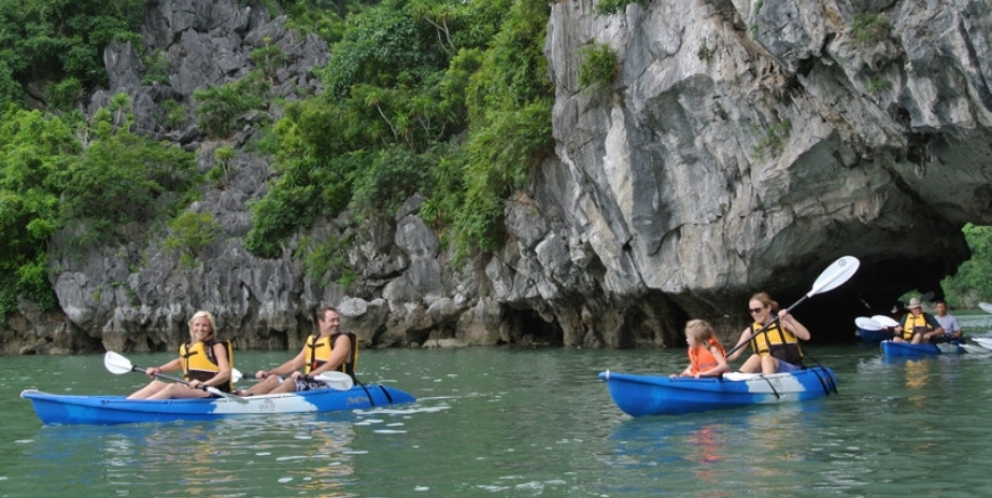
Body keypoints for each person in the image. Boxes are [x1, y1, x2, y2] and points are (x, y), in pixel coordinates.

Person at [238, 306, 356, 396]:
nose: (337, 324)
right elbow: (294, 364)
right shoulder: (313, 340)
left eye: (338, 320)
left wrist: (305, 376)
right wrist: (271, 372)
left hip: (332, 384)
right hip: (311, 381)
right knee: (273, 379)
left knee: (290, 382)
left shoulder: (342, 339)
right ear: (321, 322)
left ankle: (262, 403)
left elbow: (332, 365)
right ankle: (244, 397)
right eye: (332, 320)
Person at [128, 311, 233, 399]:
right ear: (191, 327)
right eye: (197, 325)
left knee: (173, 388)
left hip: (213, 391)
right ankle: (127, 404)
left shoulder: (216, 346)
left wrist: (206, 384)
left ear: (210, 328)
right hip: (194, 389)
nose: (200, 328)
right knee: (156, 384)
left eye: (204, 325)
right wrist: (158, 370)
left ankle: (139, 408)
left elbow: (225, 373)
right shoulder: (188, 346)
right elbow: (180, 362)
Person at [727, 292, 811, 374]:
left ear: (768, 308)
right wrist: (718, 357)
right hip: (769, 370)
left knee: (767, 358)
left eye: (757, 310)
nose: (754, 314)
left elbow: (806, 336)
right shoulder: (750, 331)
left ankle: (766, 384)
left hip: (792, 369)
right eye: (751, 311)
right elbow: (734, 355)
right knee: (755, 357)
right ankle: (736, 380)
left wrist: (790, 319)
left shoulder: (782, 323)